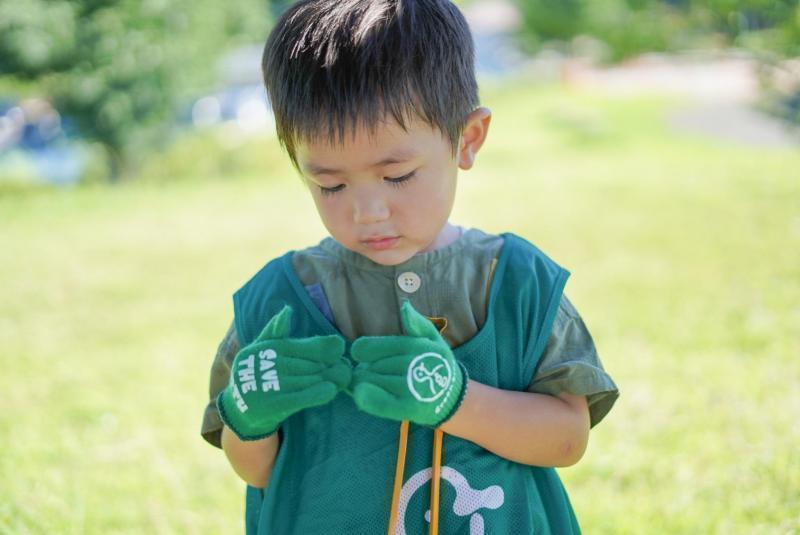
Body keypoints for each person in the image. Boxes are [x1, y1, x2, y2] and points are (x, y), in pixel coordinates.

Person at [200, 1, 619, 533]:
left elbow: (566, 439)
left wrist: (458, 401)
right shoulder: (276, 301)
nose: (367, 211)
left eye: (397, 175)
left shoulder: (517, 285)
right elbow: (256, 472)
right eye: (330, 184)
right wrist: (249, 417)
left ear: (466, 140)